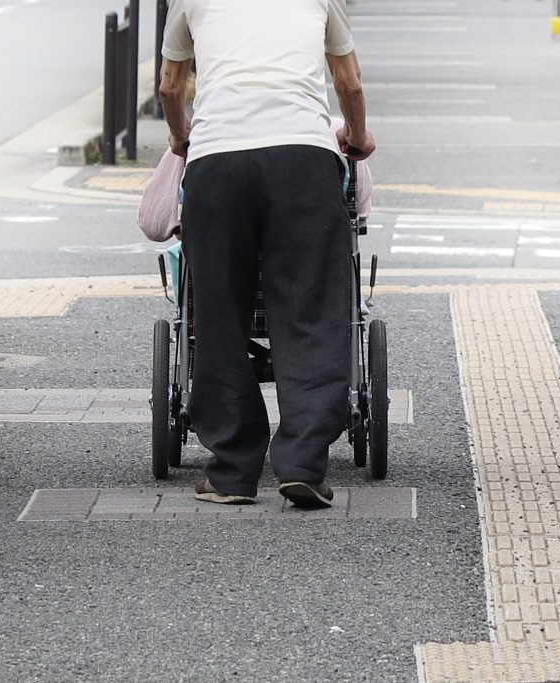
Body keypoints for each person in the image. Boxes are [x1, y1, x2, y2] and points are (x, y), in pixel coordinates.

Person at [159, 0, 375, 509]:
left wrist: (181, 139)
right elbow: (349, 82)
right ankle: (302, 465)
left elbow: (171, 87)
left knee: (218, 312)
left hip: (217, 163)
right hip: (302, 158)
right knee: (311, 309)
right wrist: (358, 136)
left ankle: (232, 473)